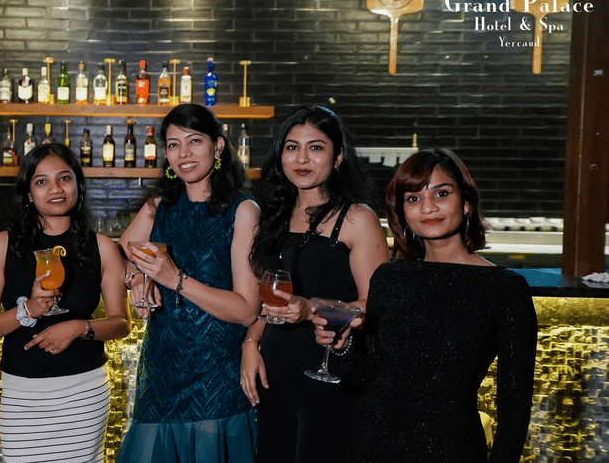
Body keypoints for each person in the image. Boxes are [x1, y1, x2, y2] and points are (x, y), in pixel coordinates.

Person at [316, 148, 537, 463]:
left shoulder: (504, 289)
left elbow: (515, 404)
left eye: (441, 193)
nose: (428, 207)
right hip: (373, 443)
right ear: (402, 211)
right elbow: (371, 373)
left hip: (450, 447)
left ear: (467, 202)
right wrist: (344, 345)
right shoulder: (389, 277)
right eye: (413, 198)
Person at [240, 105, 389, 462]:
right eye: (292, 147)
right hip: (275, 368)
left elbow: (377, 308)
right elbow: (268, 298)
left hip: (330, 371)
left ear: (338, 157)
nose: (301, 158)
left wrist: (315, 311)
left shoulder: (357, 219)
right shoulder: (270, 215)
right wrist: (250, 343)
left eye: (316, 147)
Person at [115, 103, 262, 463]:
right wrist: (137, 276)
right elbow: (121, 251)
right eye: (173, 144)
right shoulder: (160, 204)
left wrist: (172, 278)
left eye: (194, 141)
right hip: (162, 372)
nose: (184, 154)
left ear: (219, 146)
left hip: (216, 375)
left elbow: (246, 311)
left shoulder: (243, 211)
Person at [0, 143, 130, 463]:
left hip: (84, 393)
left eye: (64, 178)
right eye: (41, 181)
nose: (55, 189)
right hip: (23, 395)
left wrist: (79, 328)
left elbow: (121, 323)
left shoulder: (102, 248)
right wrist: (28, 309)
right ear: (28, 194)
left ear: (78, 186)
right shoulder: (1, 246)